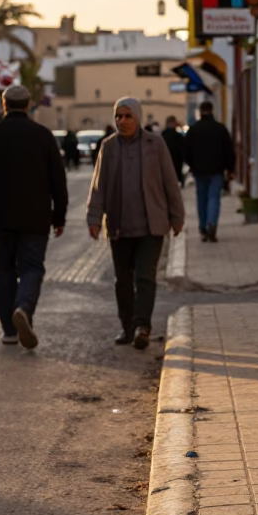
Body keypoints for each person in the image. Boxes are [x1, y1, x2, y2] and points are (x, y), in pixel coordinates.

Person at [0, 85, 68, 349]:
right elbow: (58, 180)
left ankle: (10, 331)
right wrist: (59, 216)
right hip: (36, 219)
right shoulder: (43, 136)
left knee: (3, 273)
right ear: (28, 104)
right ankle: (23, 307)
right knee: (32, 268)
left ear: (4, 104)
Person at [86, 97, 185, 349]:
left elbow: (169, 181)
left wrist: (177, 215)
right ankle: (127, 327)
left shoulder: (155, 144)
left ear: (138, 117)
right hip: (119, 226)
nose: (122, 121)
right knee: (123, 280)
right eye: (118, 116)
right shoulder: (108, 147)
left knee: (145, 277)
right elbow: (98, 186)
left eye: (128, 116)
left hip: (151, 226)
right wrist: (94, 218)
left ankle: (143, 326)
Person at [183, 101, 234, 242]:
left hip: (199, 171)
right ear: (212, 110)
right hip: (217, 170)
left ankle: (203, 228)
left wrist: (192, 165)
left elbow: (186, 152)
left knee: (202, 199)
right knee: (214, 198)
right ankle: (212, 222)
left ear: (200, 111)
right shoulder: (220, 129)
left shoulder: (193, 130)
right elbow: (228, 150)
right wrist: (230, 169)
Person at [161, 115, 185, 186]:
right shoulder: (178, 136)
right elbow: (182, 150)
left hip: (164, 163)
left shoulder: (162, 135)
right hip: (176, 163)